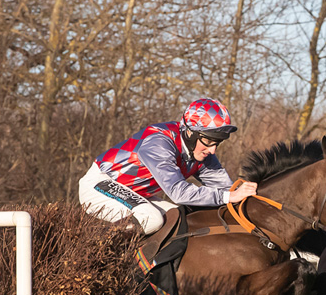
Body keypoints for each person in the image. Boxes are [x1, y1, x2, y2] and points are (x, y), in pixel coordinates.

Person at [78, 97, 257, 235]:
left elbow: (227, 188)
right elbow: (179, 193)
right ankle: (96, 249)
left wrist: (250, 194)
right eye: (209, 141)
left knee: (179, 218)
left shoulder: (201, 151)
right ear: (190, 132)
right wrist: (229, 196)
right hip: (99, 185)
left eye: (217, 143)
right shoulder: (159, 142)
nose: (212, 150)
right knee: (152, 219)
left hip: (133, 193)